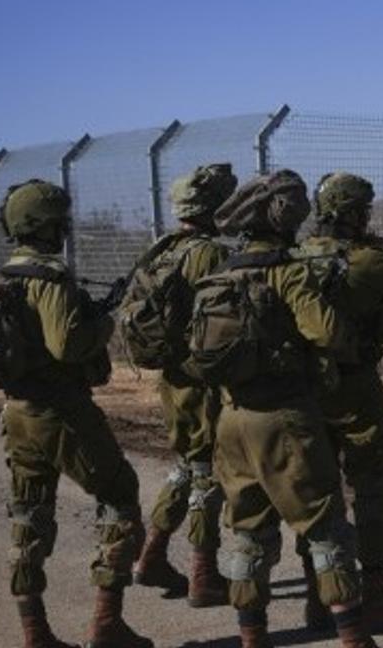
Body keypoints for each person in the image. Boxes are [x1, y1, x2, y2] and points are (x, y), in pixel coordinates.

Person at [203, 170, 379, 648]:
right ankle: (354, 640)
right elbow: (329, 333)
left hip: (231, 419)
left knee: (249, 534)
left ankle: (252, 639)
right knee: (326, 530)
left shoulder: (220, 273)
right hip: (285, 419)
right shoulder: (288, 272)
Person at [0, 180, 153, 647]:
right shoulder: (51, 278)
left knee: (28, 514)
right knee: (120, 497)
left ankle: (34, 633)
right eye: (61, 220)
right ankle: (107, 625)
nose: (65, 228)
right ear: (46, 225)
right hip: (62, 411)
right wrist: (106, 321)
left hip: (17, 411)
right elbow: (67, 345)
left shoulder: (5, 275)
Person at [296, 172, 383, 632]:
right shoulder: (366, 261)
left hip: (302, 391)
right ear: (354, 213)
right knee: (371, 489)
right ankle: (375, 597)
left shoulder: (293, 259)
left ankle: (321, 598)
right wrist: (378, 264)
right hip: (355, 391)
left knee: (317, 494)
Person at [131, 163, 237, 607]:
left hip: (173, 378)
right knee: (207, 476)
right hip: (203, 379)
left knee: (187, 467)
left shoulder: (160, 249)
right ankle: (203, 574)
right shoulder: (208, 254)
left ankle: (151, 557)